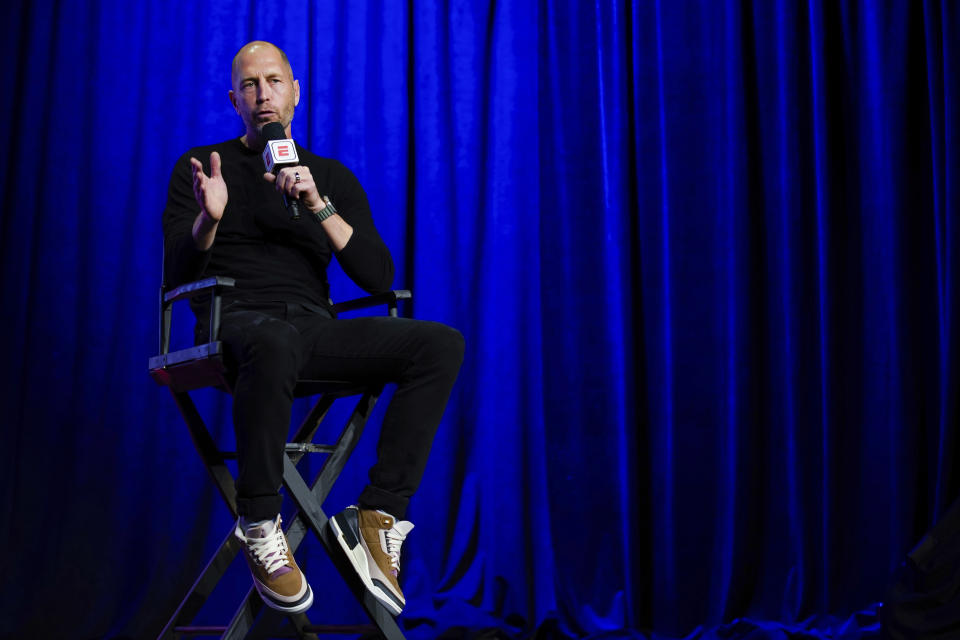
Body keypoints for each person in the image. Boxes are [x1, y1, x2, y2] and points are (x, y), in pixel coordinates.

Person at [162, 40, 464, 616]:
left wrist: (320, 204)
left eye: (274, 81)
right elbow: (175, 273)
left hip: (310, 329)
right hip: (236, 328)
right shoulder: (203, 167)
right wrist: (208, 218)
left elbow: (378, 277)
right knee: (272, 340)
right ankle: (258, 521)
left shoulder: (327, 175)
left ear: (296, 92)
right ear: (234, 100)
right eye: (250, 85)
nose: (263, 94)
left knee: (439, 344)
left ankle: (379, 514)